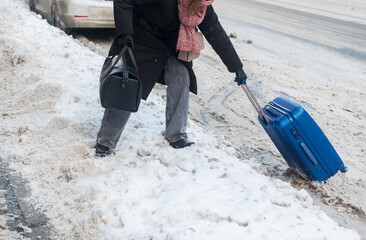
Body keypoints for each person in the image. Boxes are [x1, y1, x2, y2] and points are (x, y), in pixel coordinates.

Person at [95, 0, 248, 157]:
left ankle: (176, 134)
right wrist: (125, 32)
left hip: (172, 47)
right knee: (126, 85)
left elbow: (216, 33)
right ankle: (106, 140)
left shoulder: (201, 6)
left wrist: (236, 68)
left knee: (181, 77)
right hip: (142, 40)